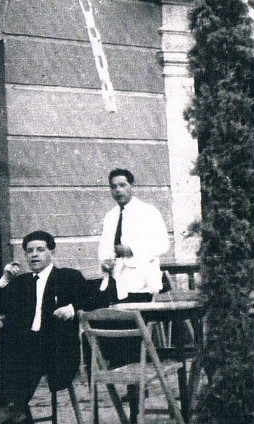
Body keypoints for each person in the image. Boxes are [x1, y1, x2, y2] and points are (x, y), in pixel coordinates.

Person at [0, 230, 104, 424]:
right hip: (24, 348)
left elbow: (95, 297)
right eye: (29, 251)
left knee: (25, 357)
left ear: (51, 252)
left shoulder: (67, 277)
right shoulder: (20, 283)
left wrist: (72, 308)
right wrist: (4, 280)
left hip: (56, 349)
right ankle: (17, 412)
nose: (34, 255)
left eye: (40, 249)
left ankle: (15, 411)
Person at [97, 168, 170, 423]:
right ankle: (132, 387)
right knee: (118, 336)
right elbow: (105, 246)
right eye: (114, 186)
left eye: (123, 185)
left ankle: (137, 391)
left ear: (132, 186)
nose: (118, 190)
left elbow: (163, 243)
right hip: (117, 281)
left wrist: (133, 250)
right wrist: (104, 261)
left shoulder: (147, 212)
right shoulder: (110, 216)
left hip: (139, 281)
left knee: (136, 337)